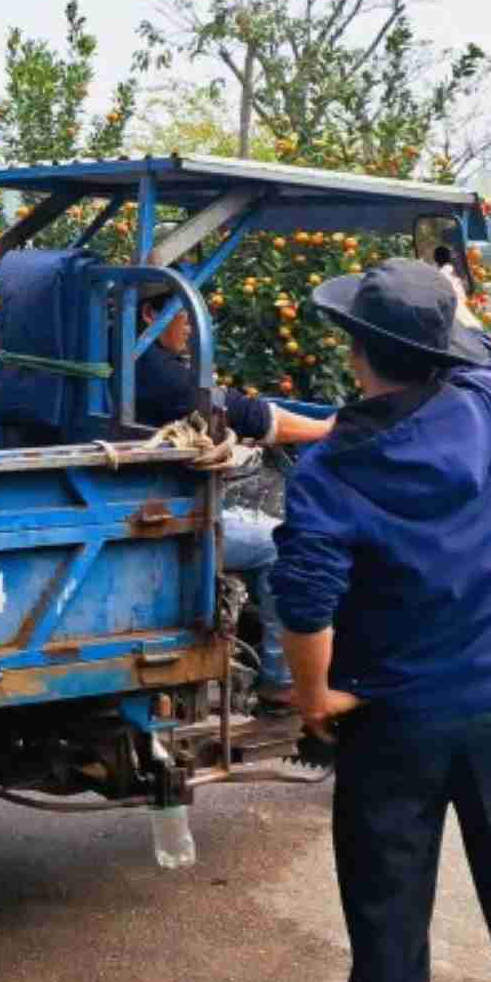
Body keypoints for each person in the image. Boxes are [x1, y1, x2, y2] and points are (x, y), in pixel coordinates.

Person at [272, 259, 491, 982]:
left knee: (388, 934)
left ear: (356, 357)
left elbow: (304, 600)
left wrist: (316, 697)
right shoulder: (487, 404)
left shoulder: (331, 471)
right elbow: (480, 344)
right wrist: (449, 295)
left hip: (388, 724)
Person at [133, 288, 333, 710]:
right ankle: (282, 681)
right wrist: (325, 429)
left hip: (150, 501)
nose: (191, 324)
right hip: (162, 516)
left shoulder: (121, 355)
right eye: (184, 312)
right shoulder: (153, 371)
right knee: (283, 544)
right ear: (150, 313)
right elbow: (244, 415)